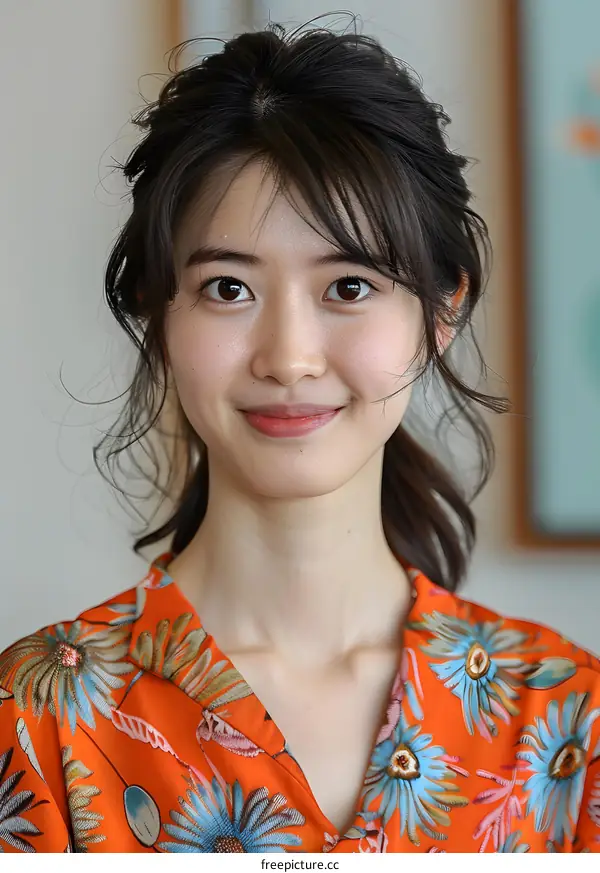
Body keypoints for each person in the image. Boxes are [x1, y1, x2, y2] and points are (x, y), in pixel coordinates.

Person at [0, 22, 598, 855]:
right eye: (228, 287)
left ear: (441, 313)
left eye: (349, 284)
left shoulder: (567, 722)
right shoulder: (36, 721)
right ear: (156, 314)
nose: (288, 356)